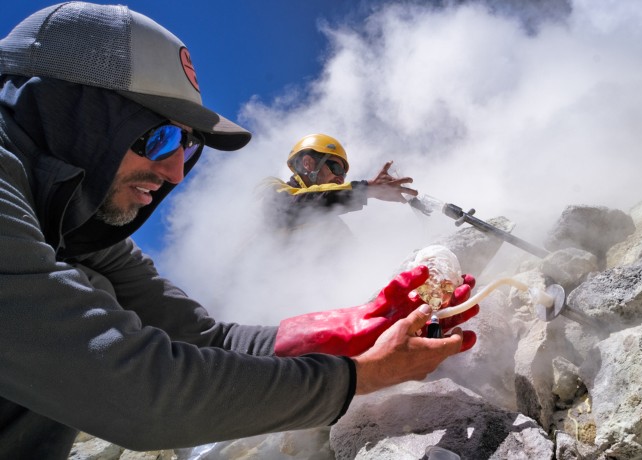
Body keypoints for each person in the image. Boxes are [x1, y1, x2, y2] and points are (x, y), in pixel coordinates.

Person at [0, 3, 479, 458]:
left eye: (186, 145)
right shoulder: (274, 191)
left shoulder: (78, 232)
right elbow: (139, 393)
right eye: (159, 137)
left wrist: (359, 324)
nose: (175, 172)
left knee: (96, 284)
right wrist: (359, 377)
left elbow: (209, 341)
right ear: (69, 112)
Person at [263, 133, 418, 234]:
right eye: (336, 168)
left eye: (344, 174)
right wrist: (366, 189)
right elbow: (288, 208)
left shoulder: (335, 228)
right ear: (308, 163)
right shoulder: (268, 188)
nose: (341, 178)